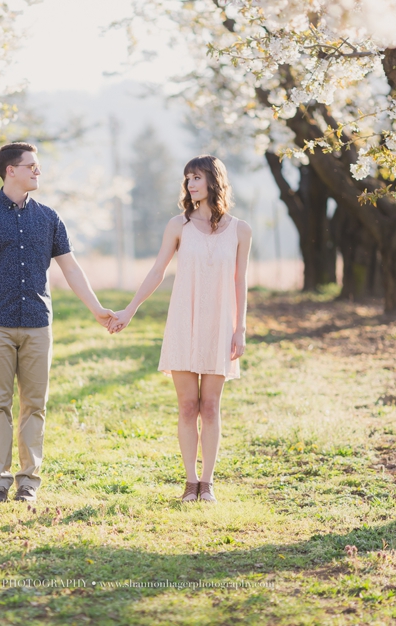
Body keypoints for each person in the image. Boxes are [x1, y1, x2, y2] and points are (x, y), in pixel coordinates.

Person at [0, 142, 115, 504]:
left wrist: (97, 309)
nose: (37, 171)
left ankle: (28, 481)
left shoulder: (49, 218)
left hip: (38, 324)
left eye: (38, 166)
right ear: (10, 170)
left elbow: (71, 269)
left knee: (35, 404)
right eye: (31, 166)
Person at [109, 155, 252, 503]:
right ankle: (190, 483)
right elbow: (157, 271)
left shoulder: (240, 229)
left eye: (198, 177)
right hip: (183, 322)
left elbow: (240, 281)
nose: (191, 184)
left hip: (220, 325)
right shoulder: (178, 225)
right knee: (188, 406)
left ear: (214, 181)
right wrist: (130, 309)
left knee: (211, 406)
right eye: (187, 178)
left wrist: (240, 328)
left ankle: (208, 483)